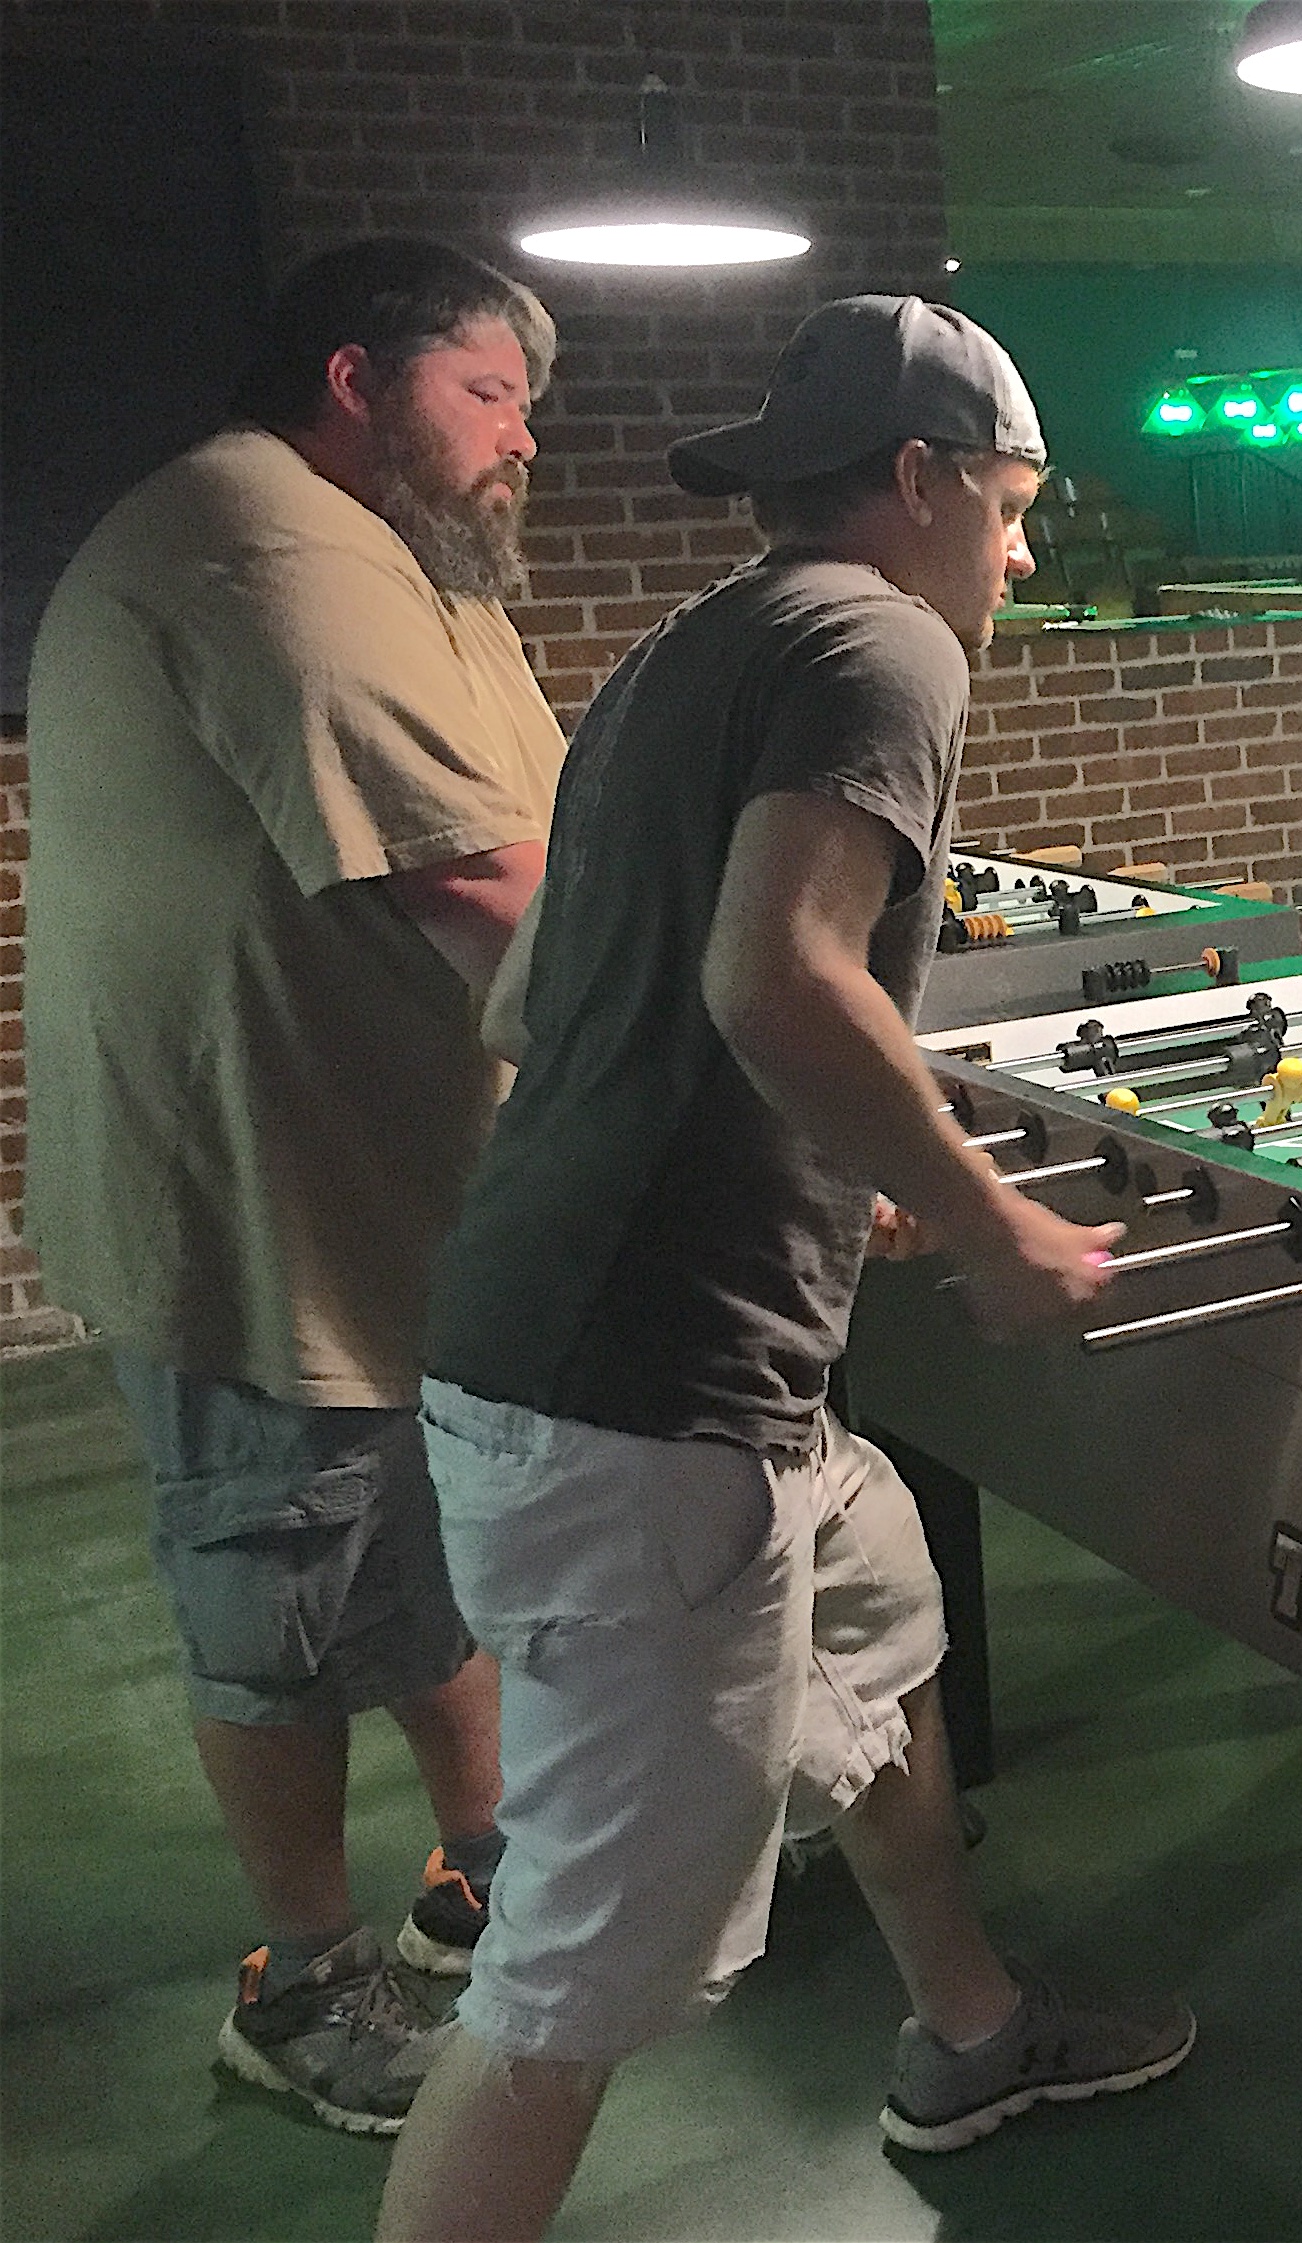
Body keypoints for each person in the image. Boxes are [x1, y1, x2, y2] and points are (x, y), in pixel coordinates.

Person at [376, 296, 1191, 2243]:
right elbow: (774, 974)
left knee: (878, 1645)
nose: (1017, 551)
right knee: (572, 1992)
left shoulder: (690, 647)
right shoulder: (882, 638)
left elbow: (564, 1006)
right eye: (1011, 502)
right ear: (915, 480)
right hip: (640, 1413)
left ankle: (971, 2027)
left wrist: (834, 1166)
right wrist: (990, 1218)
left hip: (617, 1360)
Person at [22, 237, 565, 2134]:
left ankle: (481, 1863)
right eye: (494, 394)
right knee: (279, 1598)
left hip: (383, 1191)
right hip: (253, 1206)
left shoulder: (413, 566)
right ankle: (299, 1985)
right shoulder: (267, 537)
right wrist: (747, 1092)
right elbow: (488, 895)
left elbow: (546, 833)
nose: (523, 442)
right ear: (358, 377)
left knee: (425, 1559)